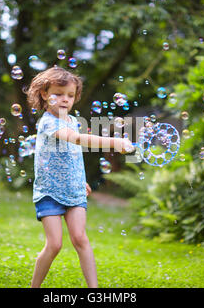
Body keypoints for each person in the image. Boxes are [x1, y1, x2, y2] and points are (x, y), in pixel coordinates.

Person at [26, 66, 134, 288]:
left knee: (80, 238)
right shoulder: (48, 122)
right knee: (54, 244)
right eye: (58, 93)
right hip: (49, 192)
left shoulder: (72, 120)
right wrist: (114, 142)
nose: (65, 99)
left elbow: (72, 155)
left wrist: (78, 179)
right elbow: (75, 140)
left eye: (70, 95)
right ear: (45, 94)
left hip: (74, 189)